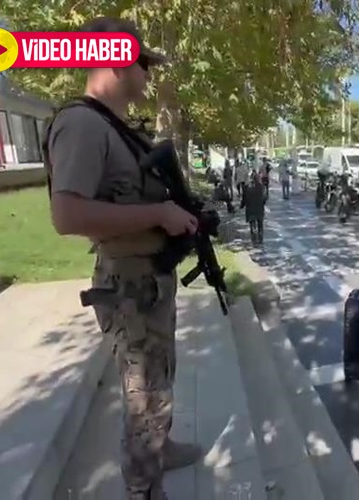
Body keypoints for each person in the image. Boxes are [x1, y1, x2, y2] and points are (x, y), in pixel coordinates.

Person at [44, 17, 202, 500]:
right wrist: (159, 212)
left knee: (159, 382)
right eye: (143, 64)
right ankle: (143, 489)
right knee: (144, 398)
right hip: (129, 288)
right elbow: (66, 215)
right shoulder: (82, 124)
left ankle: (161, 450)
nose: (148, 75)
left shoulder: (117, 128)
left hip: (149, 281)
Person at [241, 172, 267, 245]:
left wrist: (242, 205)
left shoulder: (247, 187)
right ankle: (260, 239)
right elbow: (265, 198)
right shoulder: (262, 187)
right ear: (258, 179)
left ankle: (254, 239)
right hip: (259, 209)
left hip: (250, 209)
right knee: (260, 224)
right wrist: (262, 203)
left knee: (252, 224)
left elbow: (244, 198)